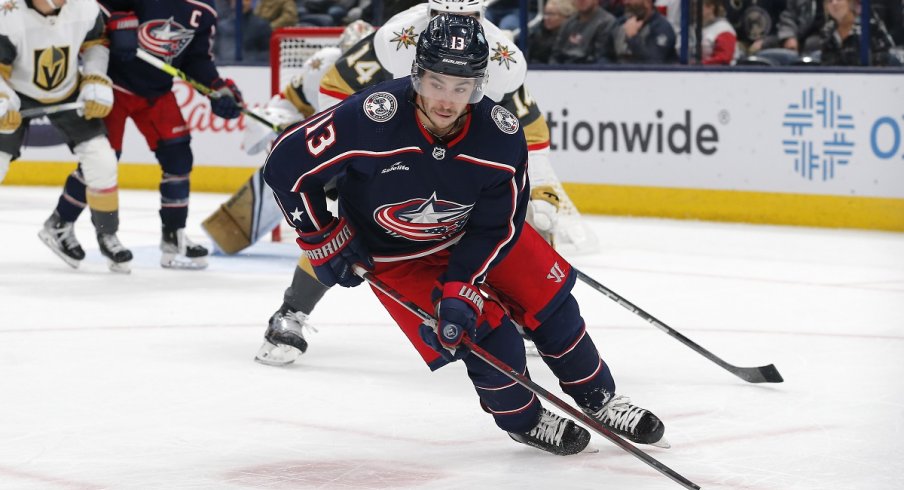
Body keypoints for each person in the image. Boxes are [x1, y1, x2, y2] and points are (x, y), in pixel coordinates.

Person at [263, 13, 669, 455]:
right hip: (397, 255)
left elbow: (500, 225)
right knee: (489, 339)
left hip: (478, 236)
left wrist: (462, 285)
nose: (446, 100)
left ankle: (600, 398)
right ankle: (525, 420)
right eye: (436, 82)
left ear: (479, 85)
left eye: (462, 87)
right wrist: (320, 234)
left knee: (554, 306)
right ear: (417, 73)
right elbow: (285, 164)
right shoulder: (370, 115)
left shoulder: (500, 135)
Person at [255, 0, 598, 367]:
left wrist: (544, 187)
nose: (456, 24)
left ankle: (511, 315)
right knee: (347, 232)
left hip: (454, 153)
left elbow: (526, 125)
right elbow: (336, 85)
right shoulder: (395, 38)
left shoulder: (497, 55)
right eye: (444, 14)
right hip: (385, 144)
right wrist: (344, 152)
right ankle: (291, 310)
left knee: (503, 223)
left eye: (469, 17)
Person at [49, 0, 245, 270]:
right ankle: (64, 223)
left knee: (178, 157)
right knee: (102, 161)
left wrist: (216, 88)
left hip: (157, 91)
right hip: (114, 84)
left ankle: (172, 238)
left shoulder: (206, 9)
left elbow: (196, 58)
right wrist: (116, 24)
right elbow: (94, 14)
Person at [202, 20, 376, 255]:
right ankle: (232, 230)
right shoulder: (324, 63)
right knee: (287, 167)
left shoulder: (390, 73)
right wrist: (282, 125)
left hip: (366, 158)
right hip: (326, 148)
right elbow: (288, 103)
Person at [0, 0, 131, 272]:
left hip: (68, 88)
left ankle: (107, 233)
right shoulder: (6, 12)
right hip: (16, 93)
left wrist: (95, 78)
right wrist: (2, 98)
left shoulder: (84, 6)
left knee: (103, 162)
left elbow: (96, 42)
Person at [819, 0, 896, 66]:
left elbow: (884, 56)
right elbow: (827, 63)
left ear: (849, 2)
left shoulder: (869, 25)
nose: (834, 3)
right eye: (829, 1)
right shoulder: (827, 30)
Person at [549, 0, 618, 64]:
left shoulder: (607, 22)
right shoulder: (568, 23)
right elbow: (556, 55)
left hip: (589, 72)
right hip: (563, 72)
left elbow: (600, 57)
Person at [613, 0, 679, 63]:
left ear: (647, 2)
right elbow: (605, 55)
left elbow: (654, 63)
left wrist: (633, 37)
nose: (626, 2)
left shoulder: (662, 28)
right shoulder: (619, 24)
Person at [690, 0, 738, 64]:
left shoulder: (723, 28)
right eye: (693, 5)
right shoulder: (692, 27)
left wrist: (700, 64)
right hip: (696, 71)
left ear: (711, 7)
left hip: (721, 72)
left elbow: (724, 59)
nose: (694, 9)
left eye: (697, 5)